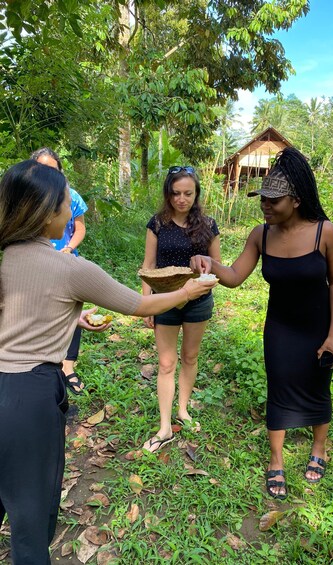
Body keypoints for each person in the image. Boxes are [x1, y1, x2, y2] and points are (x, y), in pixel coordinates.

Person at [0, 160, 217, 564]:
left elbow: (18, 311)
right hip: (26, 401)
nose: (72, 212)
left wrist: (68, 315)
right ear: (48, 212)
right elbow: (140, 304)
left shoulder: (7, 256)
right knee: (30, 524)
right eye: (67, 203)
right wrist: (187, 292)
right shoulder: (70, 267)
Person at [191, 147, 333, 500]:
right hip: (279, 328)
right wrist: (209, 262)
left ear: (295, 200)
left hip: (318, 328)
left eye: (273, 201)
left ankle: (318, 449)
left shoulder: (325, 233)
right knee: (278, 387)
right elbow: (232, 277)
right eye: (263, 199)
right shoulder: (261, 235)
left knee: (318, 387)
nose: (265, 206)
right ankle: (276, 459)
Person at [141, 166, 221, 453]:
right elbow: (148, 267)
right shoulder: (157, 224)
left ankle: (183, 410)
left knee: (190, 356)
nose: (181, 199)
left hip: (198, 302)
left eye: (188, 193)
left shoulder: (208, 226)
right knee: (165, 363)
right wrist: (147, 302)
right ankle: (165, 426)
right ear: (168, 194)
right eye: (176, 193)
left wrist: (203, 277)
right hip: (165, 300)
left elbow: (216, 269)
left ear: (196, 193)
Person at [31, 147, 88, 395]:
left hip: (65, 260)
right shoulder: (27, 197)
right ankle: (41, 363)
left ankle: (68, 366)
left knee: (71, 311)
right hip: (35, 263)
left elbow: (80, 228)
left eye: (52, 169)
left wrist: (68, 248)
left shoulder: (71, 196)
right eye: (42, 169)